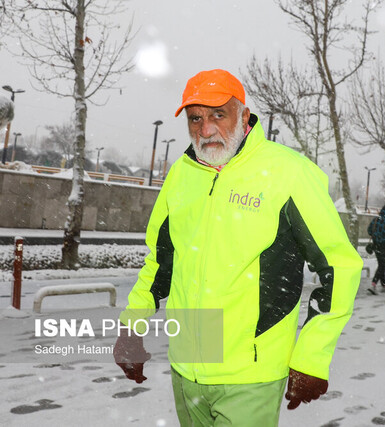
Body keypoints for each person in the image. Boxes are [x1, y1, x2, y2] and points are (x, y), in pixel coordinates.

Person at [113, 69, 363, 426]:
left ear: (244, 116)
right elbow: (159, 263)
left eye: (219, 114)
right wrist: (131, 328)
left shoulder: (288, 172)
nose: (205, 128)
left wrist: (311, 356)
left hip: (252, 375)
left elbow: (339, 266)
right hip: (186, 372)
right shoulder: (181, 175)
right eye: (195, 118)